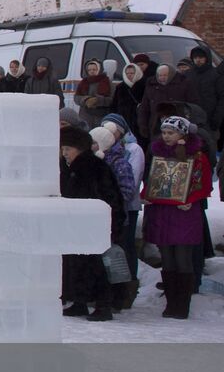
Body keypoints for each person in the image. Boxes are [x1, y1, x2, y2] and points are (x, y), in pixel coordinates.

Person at [142, 116, 212, 319]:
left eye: (171, 133)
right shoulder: (159, 154)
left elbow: (205, 185)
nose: (166, 137)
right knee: (168, 259)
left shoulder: (197, 156)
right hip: (163, 212)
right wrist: (146, 195)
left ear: (182, 134)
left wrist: (192, 199)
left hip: (185, 213)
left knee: (183, 258)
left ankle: (182, 306)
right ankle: (170, 303)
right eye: (164, 133)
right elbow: (154, 180)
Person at [59, 126, 122, 322]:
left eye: (68, 149)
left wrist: (111, 225)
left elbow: (110, 198)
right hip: (76, 225)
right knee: (77, 264)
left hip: (95, 226)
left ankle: (103, 305)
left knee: (96, 266)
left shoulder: (94, 167)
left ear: (80, 148)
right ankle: (80, 301)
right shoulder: (68, 169)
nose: (65, 153)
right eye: (63, 149)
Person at [91, 125, 138, 310]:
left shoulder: (119, 163)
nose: (92, 146)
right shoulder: (95, 162)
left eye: (94, 142)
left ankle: (120, 297)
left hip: (116, 219)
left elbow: (127, 191)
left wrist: (108, 204)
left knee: (115, 259)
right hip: (98, 219)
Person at [100, 113, 145, 296]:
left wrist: (118, 201)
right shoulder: (102, 150)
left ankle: (128, 288)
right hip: (109, 207)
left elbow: (131, 180)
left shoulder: (133, 150)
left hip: (127, 207)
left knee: (126, 247)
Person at [138, 63, 199, 140]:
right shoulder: (151, 85)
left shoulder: (184, 83)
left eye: (165, 75)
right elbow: (144, 107)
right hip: (155, 126)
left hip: (178, 126)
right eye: (160, 75)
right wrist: (143, 125)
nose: (162, 78)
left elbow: (193, 105)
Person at [184, 46, 222, 140]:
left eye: (201, 57)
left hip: (209, 119)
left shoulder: (216, 75)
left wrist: (216, 119)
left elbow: (222, 98)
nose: (198, 60)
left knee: (209, 147)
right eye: (195, 58)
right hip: (190, 118)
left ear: (207, 58)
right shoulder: (187, 74)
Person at [73, 58, 113, 128]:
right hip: (85, 116)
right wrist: (85, 100)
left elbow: (112, 99)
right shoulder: (83, 83)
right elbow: (76, 98)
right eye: (89, 70)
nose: (92, 72)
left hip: (101, 116)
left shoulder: (107, 82)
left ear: (99, 69)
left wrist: (98, 100)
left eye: (94, 69)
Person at [110, 64, 144, 139]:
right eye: (127, 73)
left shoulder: (143, 86)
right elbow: (114, 104)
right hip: (123, 120)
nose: (129, 75)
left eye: (132, 73)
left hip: (139, 120)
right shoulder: (120, 87)